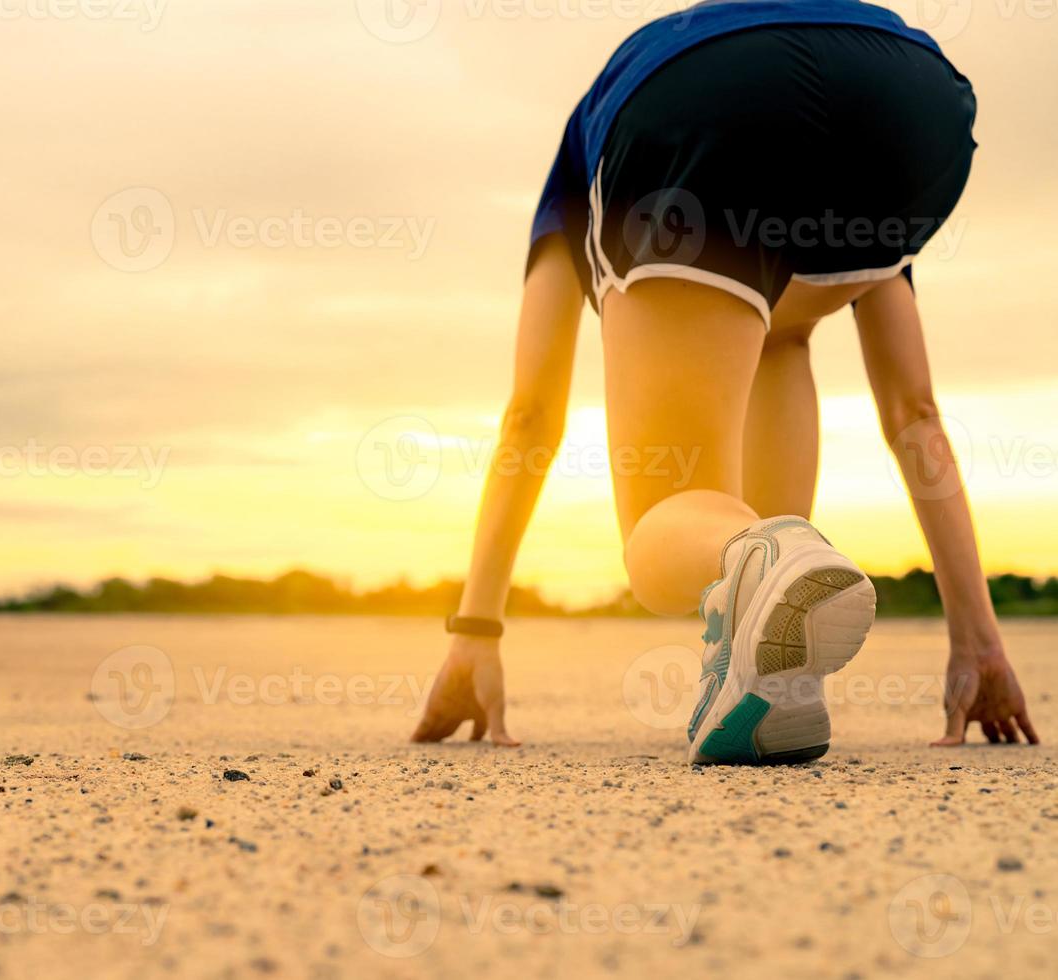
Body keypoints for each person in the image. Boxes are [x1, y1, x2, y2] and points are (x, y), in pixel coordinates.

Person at [410, 0, 1040, 760]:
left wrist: (476, 630)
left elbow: (529, 415)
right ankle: (768, 662)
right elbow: (915, 412)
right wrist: (979, 645)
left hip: (697, 102)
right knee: (783, 335)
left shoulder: (583, 154)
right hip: (911, 103)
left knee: (659, 544)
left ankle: (760, 554)